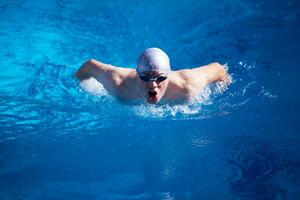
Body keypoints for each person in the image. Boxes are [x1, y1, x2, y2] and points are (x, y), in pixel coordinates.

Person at [76, 47, 230, 104]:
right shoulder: (119, 84)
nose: (153, 85)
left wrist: (223, 95)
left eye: (160, 78)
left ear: (168, 76)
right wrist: (80, 90)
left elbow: (218, 69)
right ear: (137, 75)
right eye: (145, 77)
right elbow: (89, 65)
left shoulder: (187, 85)